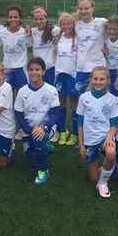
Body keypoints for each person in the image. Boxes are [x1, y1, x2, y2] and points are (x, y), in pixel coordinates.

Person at [14, 57, 60, 185]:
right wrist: (31, 130)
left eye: (37, 69)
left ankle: (43, 170)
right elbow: (19, 115)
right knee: (32, 161)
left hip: (47, 128)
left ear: (43, 72)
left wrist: (44, 128)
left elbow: (55, 114)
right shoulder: (22, 91)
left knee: (38, 140)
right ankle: (46, 146)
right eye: (31, 69)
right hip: (29, 129)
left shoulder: (51, 90)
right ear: (28, 71)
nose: (34, 72)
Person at [76, 66, 118, 198]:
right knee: (93, 178)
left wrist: (109, 138)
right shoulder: (84, 98)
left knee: (111, 152)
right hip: (89, 140)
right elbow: (79, 122)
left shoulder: (112, 99)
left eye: (102, 79)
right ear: (91, 80)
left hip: (104, 137)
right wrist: (81, 145)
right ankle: (105, 169)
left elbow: (114, 123)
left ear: (108, 81)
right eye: (95, 79)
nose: (98, 82)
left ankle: (103, 183)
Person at [52, 12, 79, 146]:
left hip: (72, 76)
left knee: (74, 105)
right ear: (60, 25)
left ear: (73, 25)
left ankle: (75, 133)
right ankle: (62, 131)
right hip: (59, 75)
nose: (66, 26)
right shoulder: (58, 37)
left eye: (69, 24)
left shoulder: (78, 39)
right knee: (61, 104)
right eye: (63, 24)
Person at [0, 4, 32, 92]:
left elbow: (30, 48)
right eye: (10, 17)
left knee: (23, 94)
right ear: (7, 18)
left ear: (20, 18)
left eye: (16, 17)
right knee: (7, 94)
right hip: (7, 68)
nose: (13, 19)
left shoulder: (26, 32)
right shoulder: (2, 32)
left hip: (21, 68)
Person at [31, 6, 59, 86]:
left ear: (46, 19)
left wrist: (57, 42)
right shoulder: (31, 32)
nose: (38, 21)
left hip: (51, 68)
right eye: (36, 19)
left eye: (41, 19)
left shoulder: (54, 30)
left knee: (52, 90)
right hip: (37, 70)